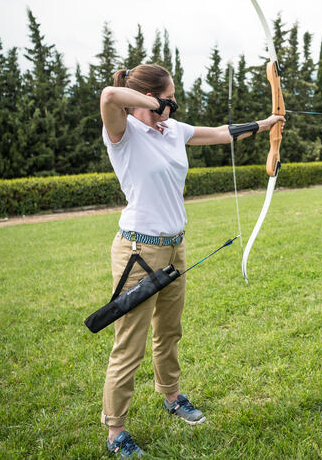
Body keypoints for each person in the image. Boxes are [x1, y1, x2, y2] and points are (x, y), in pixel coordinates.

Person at [98, 63, 284, 457]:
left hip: (174, 247)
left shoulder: (173, 130)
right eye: (169, 99)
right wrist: (149, 104)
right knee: (128, 344)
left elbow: (218, 134)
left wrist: (266, 123)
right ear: (151, 99)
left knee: (169, 330)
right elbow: (110, 96)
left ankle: (172, 396)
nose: (173, 106)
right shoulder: (123, 132)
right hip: (138, 252)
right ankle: (116, 431)